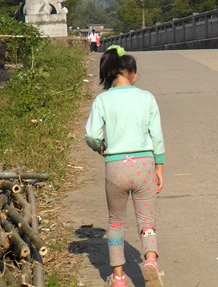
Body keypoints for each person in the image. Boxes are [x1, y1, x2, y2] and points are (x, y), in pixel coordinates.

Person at [85, 45, 166, 287]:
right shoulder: (146, 98)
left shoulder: (102, 100)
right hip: (143, 164)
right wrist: (159, 167)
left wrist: (100, 146)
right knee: (146, 220)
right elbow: (157, 137)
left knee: (116, 222)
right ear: (129, 72)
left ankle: (118, 277)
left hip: (116, 166)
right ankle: (150, 261)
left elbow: (91, 134)